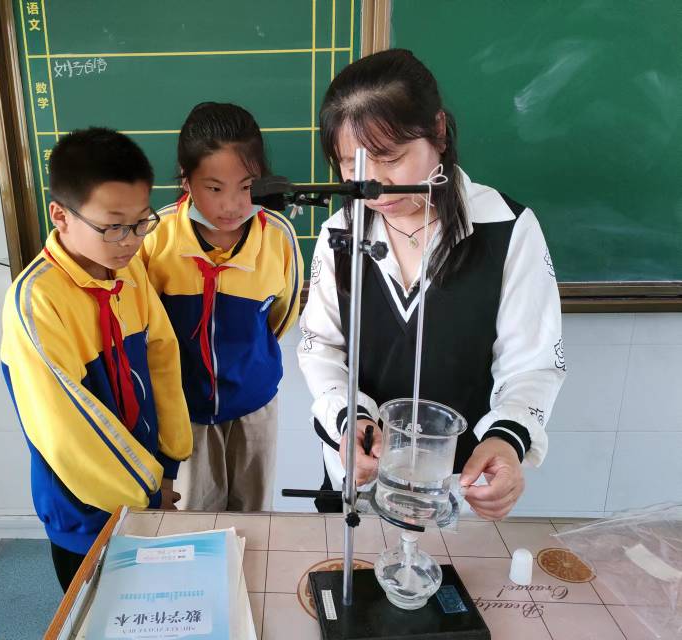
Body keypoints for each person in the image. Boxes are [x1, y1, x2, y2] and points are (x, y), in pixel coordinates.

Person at [298, 49, 566, 519]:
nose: (374, 184)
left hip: (460, 484)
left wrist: (507, 438)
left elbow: (532, 363)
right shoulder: (341, 233)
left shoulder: (505, 229)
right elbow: (320, 346)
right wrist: (349, 418)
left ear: (438, 132)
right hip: (361, 473)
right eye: (351, 164)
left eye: (391, 158)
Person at [0, 127, 192, 591]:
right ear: (61, 216)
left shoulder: (128, 274)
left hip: (147, 489)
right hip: (84, 514)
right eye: (113, 226)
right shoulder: (37, 301)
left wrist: (168, 465)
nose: (131, 241)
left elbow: (163, 361)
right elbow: (67, 430)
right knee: (96, 613)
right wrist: (146, 490)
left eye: (142, 222)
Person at [141, 102, 303, 512]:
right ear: (186, 179)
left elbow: (281, 317)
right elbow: (146, 331)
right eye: (214, 188)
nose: (232, 205)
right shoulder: (156, 239)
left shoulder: (277, 237)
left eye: (246, 187)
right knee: (195, 517)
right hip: (184, 413)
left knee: (254, 514)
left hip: (254, 406)